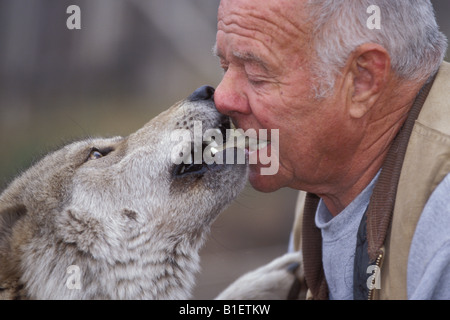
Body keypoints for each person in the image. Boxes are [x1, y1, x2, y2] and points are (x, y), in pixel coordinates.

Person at [213, 0, 449, 300]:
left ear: (363, 80)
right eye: (224, 66)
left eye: (257, 74)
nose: (222, 98)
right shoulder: (323, 181)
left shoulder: (442, 218)